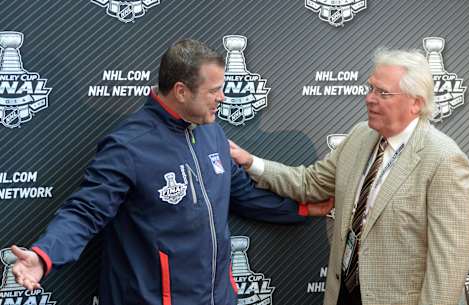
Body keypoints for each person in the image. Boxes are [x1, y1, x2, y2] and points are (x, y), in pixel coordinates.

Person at [11, 39, 331, 305]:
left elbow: (242, 195)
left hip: (217, 298)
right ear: (181, 91)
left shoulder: (213, 133)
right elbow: (85, 211)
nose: (222, 97)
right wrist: (43, 256)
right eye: (214, 90)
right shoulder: (129, 146)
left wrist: (303, 208)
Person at [230, 48, 469, 305]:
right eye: (370, 89)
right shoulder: (361, 135)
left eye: (383, 93)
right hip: (345, 294)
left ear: (416, 103)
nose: (370, 99)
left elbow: (448, 270)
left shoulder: (445, 161)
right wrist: (251, 162)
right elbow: (311, 183)